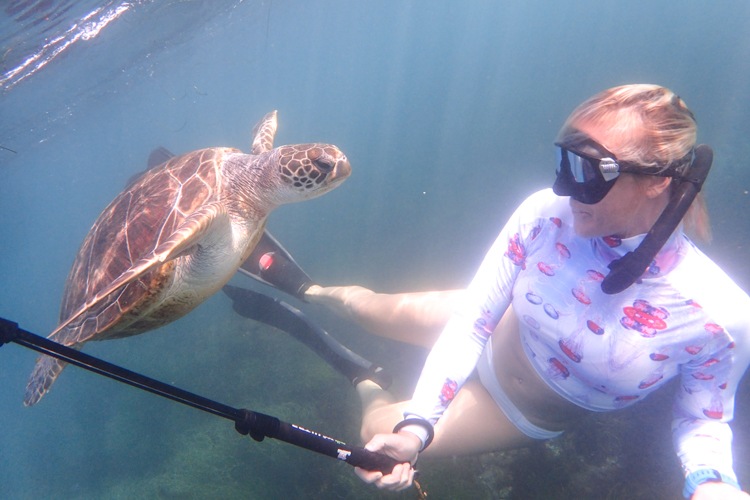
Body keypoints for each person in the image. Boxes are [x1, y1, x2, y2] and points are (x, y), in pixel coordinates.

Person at [226, 84, 750, 499]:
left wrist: (710, 482)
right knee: (369, 307)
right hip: (504, 324)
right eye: (565, 162)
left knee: (379, 432)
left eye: (590, 172)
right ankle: (311, 290)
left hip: (518, 410)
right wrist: (422, 422)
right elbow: (476, 317)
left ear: (658, 179)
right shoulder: (545, 213)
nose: (565, 190)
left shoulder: (720, 316)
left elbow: (703, 419)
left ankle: (362, 373)